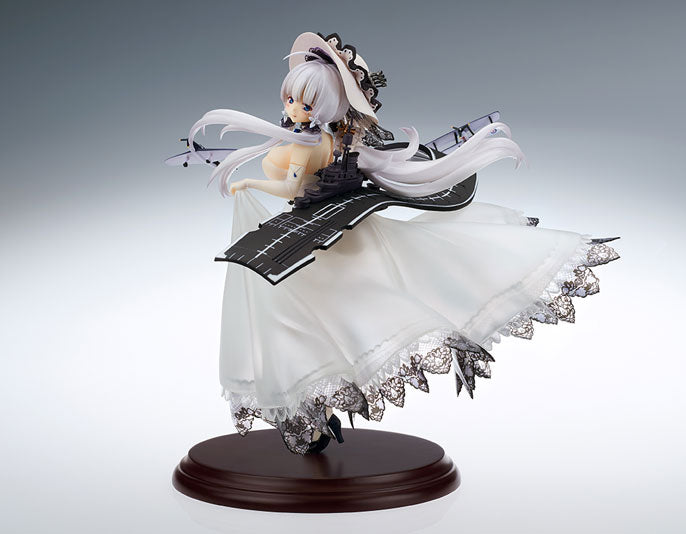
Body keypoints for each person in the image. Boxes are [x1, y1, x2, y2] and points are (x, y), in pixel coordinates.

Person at [188, 32, 620, 454]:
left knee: (314, 319)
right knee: (319, 321)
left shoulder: (308, 147)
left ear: (325, 107)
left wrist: (247, 182)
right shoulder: (328, 139)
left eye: (304, 102)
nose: (292, 108)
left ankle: (314, 408)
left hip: (327, 241)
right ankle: (315, 411)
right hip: (330, 232)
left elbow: (289, 189)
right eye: (290, 99)